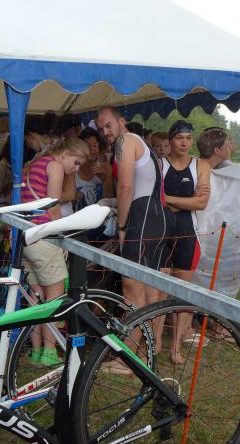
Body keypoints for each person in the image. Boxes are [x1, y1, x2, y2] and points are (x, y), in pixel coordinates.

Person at [22, 137, 89, 366]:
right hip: (45, 238)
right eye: (76, 162)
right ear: (65, 153)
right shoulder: (56, 166)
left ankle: (36, 350)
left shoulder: (35, 164)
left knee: (36, 297)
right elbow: (53, 207)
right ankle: (49, 352)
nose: (76, 169)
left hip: (27, 236)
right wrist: (62, 239)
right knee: (54, 298)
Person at [96, 106, 168, 309]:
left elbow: (125, 187)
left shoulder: (126, 141)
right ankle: (148, 331)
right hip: (155, 217)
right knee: (149, 288)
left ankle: (135, 331)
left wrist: (121, 227)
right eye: (101, 129)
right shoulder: (139, 141)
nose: (105, 132)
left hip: (143, 218)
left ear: (121, 122)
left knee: (131, 288)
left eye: (108, 125)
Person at [159, 120, 211, 364]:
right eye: (179, 137)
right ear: (170, 140)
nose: (184, 143)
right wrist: (187, 200)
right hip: (162, 233)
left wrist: (168, 198)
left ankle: (176, 346)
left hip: (188, 234)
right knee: (159, 291)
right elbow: (155, 200)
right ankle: (155, 342)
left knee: (181, 292)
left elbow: (201, 203)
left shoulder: (201, 165)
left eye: (188, 138)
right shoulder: (160, 165)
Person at [76, 128, 113, 209]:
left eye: (95, 145)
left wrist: (104, 181)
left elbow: (109, 200)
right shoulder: (73, 168)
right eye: (87, 146)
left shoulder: (106, 167)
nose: (92, 149)